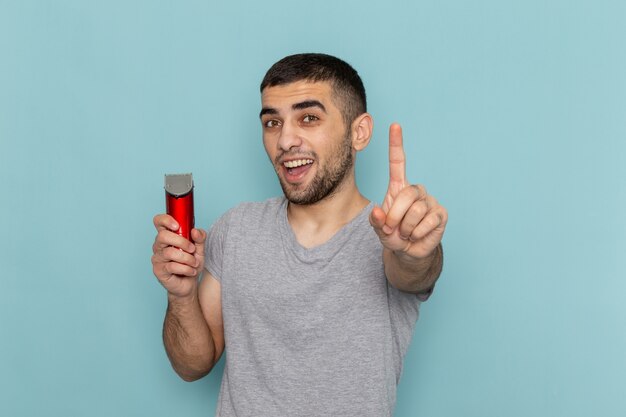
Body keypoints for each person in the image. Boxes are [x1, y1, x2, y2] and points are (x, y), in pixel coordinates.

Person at [151, 53, 448, 417]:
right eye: (272, 122)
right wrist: (181, 295)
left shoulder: (390, 237)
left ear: (359, 132)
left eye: (309, 118)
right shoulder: (236, 228)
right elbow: (192, 365)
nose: (285, 140)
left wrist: (414, 252)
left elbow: (414, 269)